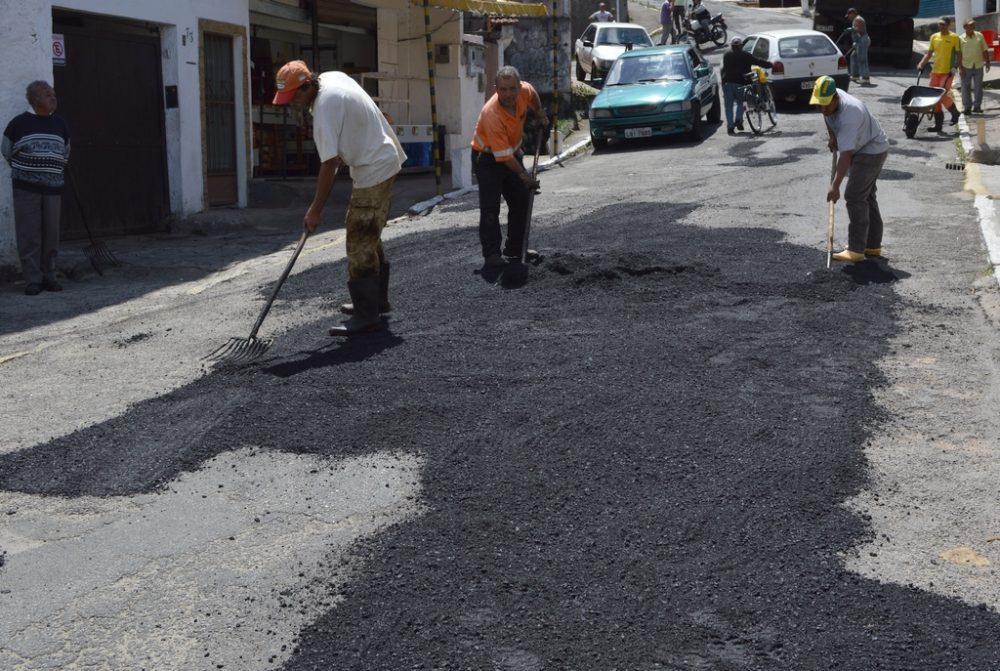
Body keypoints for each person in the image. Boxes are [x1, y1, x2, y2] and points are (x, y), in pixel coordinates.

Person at [271, 60, 406, 335]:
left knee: (359, 238)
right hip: (380, 157)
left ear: (307, 86)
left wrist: (315, 210)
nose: (293, 103)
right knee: (369, 233)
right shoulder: (331, 78)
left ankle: (367, 314)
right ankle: (376, 302)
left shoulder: (324, 108)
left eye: (295, 96)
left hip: (374, 166)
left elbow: (329, 164)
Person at [470, 66, 549, 267]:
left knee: (521, 200)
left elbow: (533, 95)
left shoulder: (525, 91)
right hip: (487, 159)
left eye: (512, 89)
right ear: (496, 89)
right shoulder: (492, 114)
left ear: (518, 87)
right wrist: (525, 177)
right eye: (503, 89)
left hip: (511, 154)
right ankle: (492, 255)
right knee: (491, 207)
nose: (508, 94)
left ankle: (515, 248)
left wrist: (539, 112)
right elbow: (504, 158)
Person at [810, 75, 889, 263]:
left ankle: (856, 249)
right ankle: (872, 245)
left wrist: (835, 186)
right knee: (867, 196)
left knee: (854, 196)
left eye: (825, 105)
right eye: (818, 106)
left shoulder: (850, 114)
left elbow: (845, 156)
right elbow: (827, 118)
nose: (822, 110)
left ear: (836, 98)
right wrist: (833, 137)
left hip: (871, 150)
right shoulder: (828, 102)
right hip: (864, 146)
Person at [2, 81, 70, 295]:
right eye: (47, 94)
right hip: (26, 188)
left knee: (51, 235)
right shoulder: (19, 123)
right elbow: (6, 149)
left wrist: (52, 169)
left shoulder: (60, 124)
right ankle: (33, 280)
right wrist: (26, 171)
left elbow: (66, 151)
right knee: (29, 234)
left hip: (53, 188)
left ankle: (49, 276)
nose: (53, 97)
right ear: (35, 99)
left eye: (53, 94)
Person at [917, 17, 962, 132]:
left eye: (943, 24)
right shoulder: (934, 37)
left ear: (948, 25)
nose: (941, 26)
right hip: (935, 71)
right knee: (933, 98)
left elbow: (959, 54)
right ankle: (938, 125)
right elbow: (929, 54)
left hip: (947, 72)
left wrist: (955, 67)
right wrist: (921, 64)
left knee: (941, 94)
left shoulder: (954, 38)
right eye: (939, 24)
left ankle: (955, 112)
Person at [720, 37, 773, 135]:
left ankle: (730, 127)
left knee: (728, 106)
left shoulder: (726, 55)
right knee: (741, 102)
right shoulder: (745, 55)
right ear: (741, 46)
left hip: (727, 83)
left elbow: (723, 69)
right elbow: (758, 61)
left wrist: (723, 82)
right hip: (740, 82)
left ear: (732, 45)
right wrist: (770, 64)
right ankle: (738, 120)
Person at [958, 18, 990, 115]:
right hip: (965, 66)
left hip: (978, 65)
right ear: (965, 27)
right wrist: (960, 68)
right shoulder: (960, 38)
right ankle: (967, 108)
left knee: (978, 87)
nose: (973, 26)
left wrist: (987, 62)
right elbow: (959, 54)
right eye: (970, 25)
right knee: (965, 87)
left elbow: (984, 49)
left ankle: (977, 107)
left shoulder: (979, 35)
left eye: (973, 25)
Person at [850, 16, 871, 85]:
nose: (849, 17)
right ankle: (855, 75)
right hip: (859, 40)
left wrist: (852, 29)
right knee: (853, 56)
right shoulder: (855, 20)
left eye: (849, 15)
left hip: (863, 40)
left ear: (852, 14)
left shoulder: (858, 19)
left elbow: (861, 30)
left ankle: (865, 78)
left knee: (862, 59)